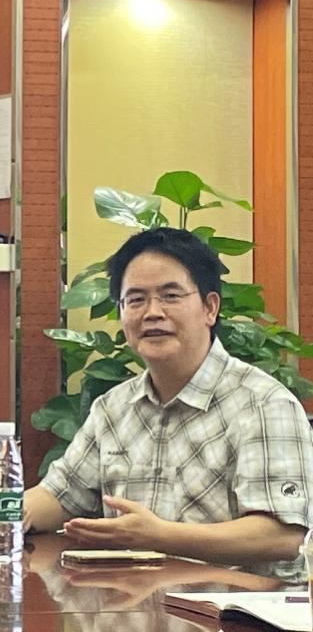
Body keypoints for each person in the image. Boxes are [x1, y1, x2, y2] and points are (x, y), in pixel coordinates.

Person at [23, 227, 313, 565]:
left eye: (170, 296)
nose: (152, 313)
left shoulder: (264, 404)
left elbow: (282, 536)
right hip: (128, 595)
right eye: (136, 300)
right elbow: (58, 495)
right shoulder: (113, 409)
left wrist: (158, 536)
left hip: (231, 597)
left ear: (210, 308)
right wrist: (6, 514)